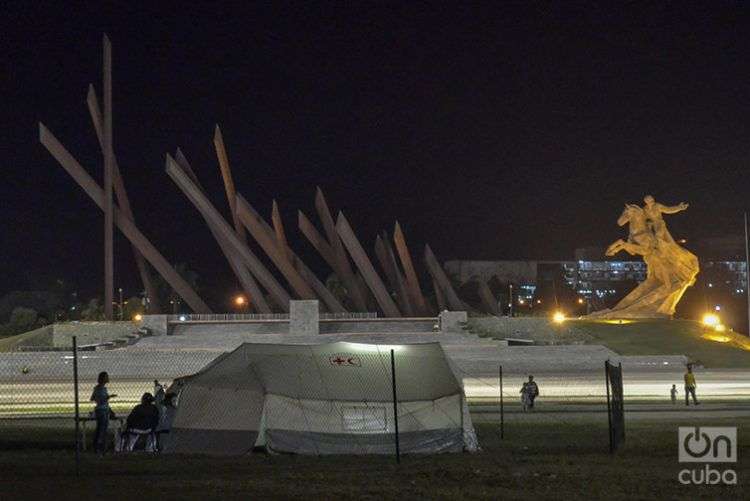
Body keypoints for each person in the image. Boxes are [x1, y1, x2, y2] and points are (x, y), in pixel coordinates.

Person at [89, 371, 117, 454]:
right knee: (102, 430)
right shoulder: (99, 388)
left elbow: (92, 398)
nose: (108, 378)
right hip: (102, 411)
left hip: (102, 410)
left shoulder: (100, 388)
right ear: (103, 378)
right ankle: (100, 448)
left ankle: (98, 447)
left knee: (100, 429)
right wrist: (108, 397)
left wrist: (110, 409)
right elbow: (100, 400)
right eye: (107, 377)